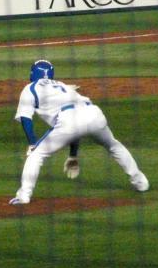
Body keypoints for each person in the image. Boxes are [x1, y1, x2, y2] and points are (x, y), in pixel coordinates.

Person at [9, 60, 149, 205]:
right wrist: (73, 155)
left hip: (69, 120)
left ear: (32, 74)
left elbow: (26, 118)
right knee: (113, 145)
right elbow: (78, 123)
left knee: (36, 155)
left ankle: (23, 196)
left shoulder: (30, 88)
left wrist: (32, 144)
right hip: (94, 113)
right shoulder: (63, 86)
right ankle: (141, 182)